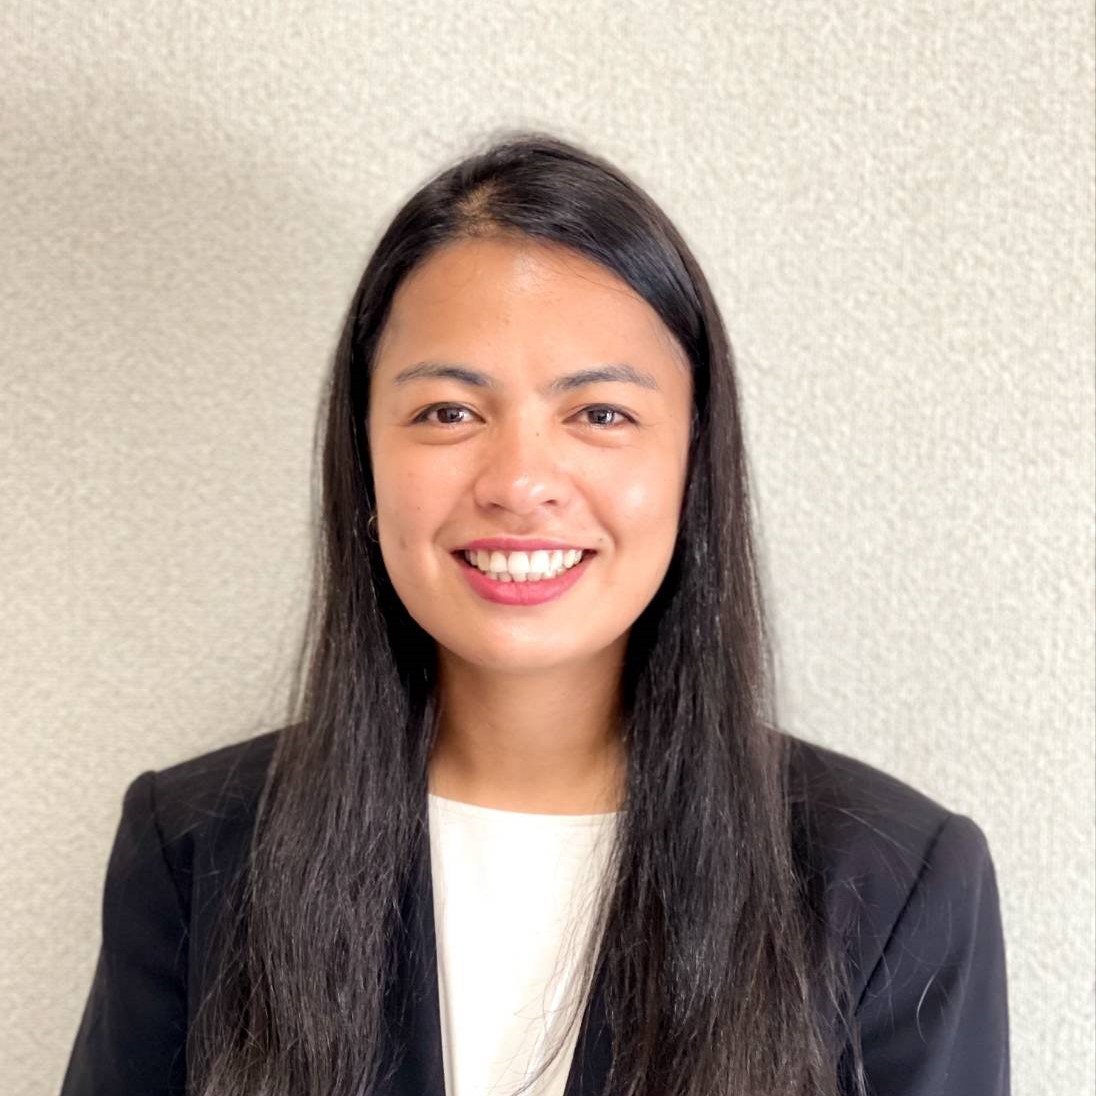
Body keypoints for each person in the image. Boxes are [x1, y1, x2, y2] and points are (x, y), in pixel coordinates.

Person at [59, 132, 1010, 1096]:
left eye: (600, 414)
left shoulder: (893, 883)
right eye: (448, 412)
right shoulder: (193, 852)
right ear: (365, 457)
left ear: (694, 462)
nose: (519, 482)